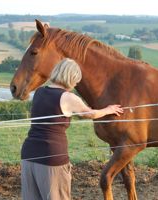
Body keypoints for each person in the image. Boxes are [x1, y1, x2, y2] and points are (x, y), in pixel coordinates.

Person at [21, 58, 123, 200]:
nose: (75, 85)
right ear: (71, 78)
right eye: (76, 81)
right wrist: (108, 109)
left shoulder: (39, 92)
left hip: (28, 155)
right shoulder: (68, 97)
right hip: (52, 158)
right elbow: (90, 114)